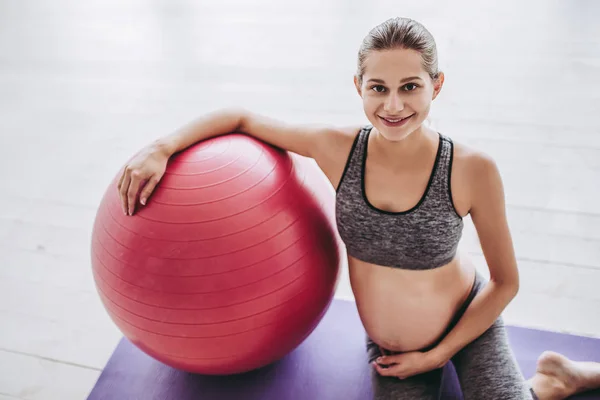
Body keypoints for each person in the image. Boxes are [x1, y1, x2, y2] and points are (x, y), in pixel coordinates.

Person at [117, 17, 600, 400]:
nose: (393, 105)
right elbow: (241, 118)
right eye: (378, 87)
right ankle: (553, 380)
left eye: (411, 86)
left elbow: (505, 282)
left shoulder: (473, 168)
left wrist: (438, 356)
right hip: (392, 349)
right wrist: (163, 145)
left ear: (437, 85)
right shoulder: (337, 148)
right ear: (358, 86)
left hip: (465, 325)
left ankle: (561, 379)